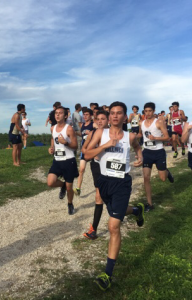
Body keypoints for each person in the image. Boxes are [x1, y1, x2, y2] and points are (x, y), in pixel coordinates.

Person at [84, 101, 145, 291]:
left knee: (113, 226)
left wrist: (140, 157)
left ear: (125, 117)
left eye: (119, 113)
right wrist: (105, 146)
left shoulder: (130, 136)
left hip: (121, 183)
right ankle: (136, 210)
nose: (115, 116)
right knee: (114, 213)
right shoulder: (99, 134)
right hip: (104, 182)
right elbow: (86, 154)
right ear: (109, 116)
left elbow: (137, 147)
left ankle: (107, 274)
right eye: (112, 113)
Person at [139, 102, 174, 212]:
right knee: (146, 177)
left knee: (162, 179)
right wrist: (132, 138)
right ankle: (150, 204)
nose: (148, 113)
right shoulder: (142, 123)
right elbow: (140, 134)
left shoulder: (158, 122)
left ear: (153, 111)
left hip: (158, 152)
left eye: (150, 111)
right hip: (147, 152)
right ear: (144, 112)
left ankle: (167, 172)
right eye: (146, 111)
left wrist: (155, 138)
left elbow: (167, 137)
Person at [82, 110, 109, 239]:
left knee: (111, 197)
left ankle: (134, 210)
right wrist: (93, 152)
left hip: (110, 167)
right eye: (97, 119)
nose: (99, 121)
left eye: (103, 119)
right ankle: (94, 230)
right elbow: (84, 149)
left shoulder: (112, 134)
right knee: (98, 196)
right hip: (96, 165)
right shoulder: (92, 133)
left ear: (108, 120)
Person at [47, 106, 79, 215]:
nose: (57, 115)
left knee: (70, 188)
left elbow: (75, 146)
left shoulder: (69, 128)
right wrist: (52, 148)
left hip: (68, 161)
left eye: (60, 113)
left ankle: (70, 204)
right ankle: (63, 185)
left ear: (65, 116)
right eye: (56, 113)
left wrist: (65, 142)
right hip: (57, 160)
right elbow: (53, 138)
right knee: (50, 182)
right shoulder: (52, 128)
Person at [74, 109, 94, 196]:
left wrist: (91, 133)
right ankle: (78, 188)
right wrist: (74, 133)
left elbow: (100, 133)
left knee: (96, 170)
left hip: (93, 150)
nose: (85, 116)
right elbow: (82, 135)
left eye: (87, 114)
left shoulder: (94, 124)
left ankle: (100, 187)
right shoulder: (82, 125)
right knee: (81, 169)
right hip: (84, 150)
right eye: (84, 115)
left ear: (91, 115)